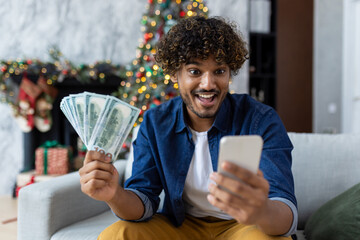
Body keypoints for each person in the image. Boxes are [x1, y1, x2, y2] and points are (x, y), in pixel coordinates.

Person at [79, 16, 298, 240]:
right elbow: (144, 200)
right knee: (117, 234)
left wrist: (260, 210)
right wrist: (114, 195)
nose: (208, 84)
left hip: (244, 227)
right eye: (195, 71)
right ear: (175, 74)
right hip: (183, 227)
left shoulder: (261, 120)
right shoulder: (156, 122)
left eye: (219, 71)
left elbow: (285, 213)